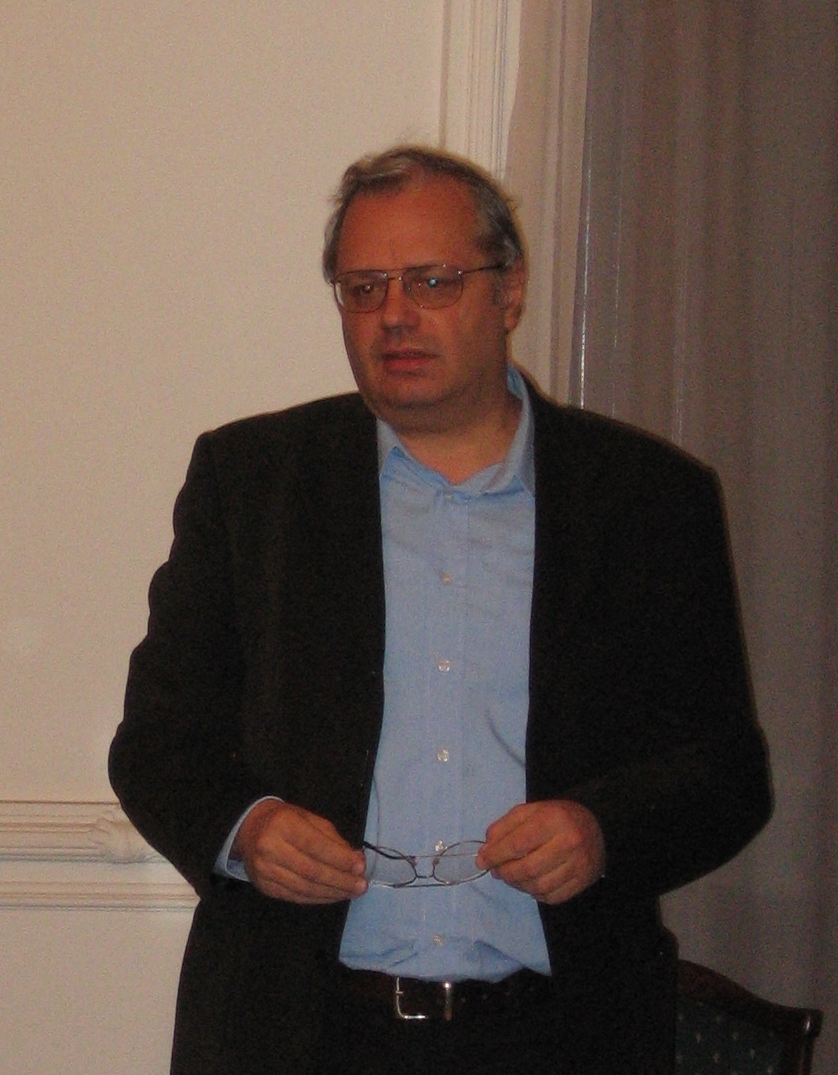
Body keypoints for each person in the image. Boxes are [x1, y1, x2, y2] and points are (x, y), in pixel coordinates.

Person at [109, 145, 771, 1075]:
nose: (395, 315)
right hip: (300, 1032)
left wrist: (603, 829)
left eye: (432, 280)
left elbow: (727, 773)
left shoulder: (647, 498)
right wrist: (246, 829)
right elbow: (157, 744)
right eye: (363, 288)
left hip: (560, 1034)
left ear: (510, 290)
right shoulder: (252, 482)